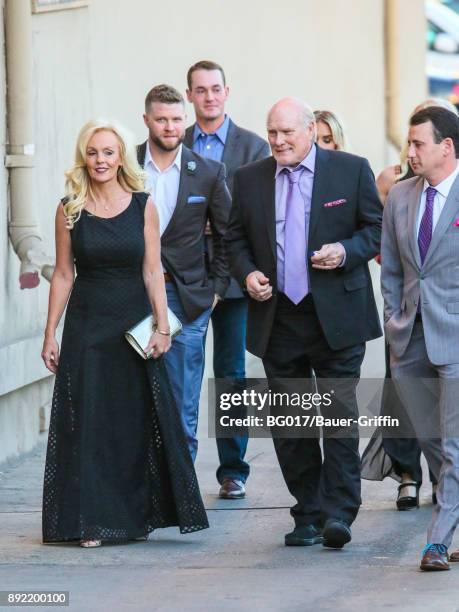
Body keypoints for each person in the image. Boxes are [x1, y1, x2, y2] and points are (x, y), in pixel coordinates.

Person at [41, 119, 208, 547]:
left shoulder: (142, 205)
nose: (100, 160)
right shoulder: (69, 208)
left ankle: (134, 516)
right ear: (84, 157)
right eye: (93, 153)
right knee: (91, 424)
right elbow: (62, 275)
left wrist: (162, 325)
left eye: (108, 152)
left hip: (132, 329)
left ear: (120, 157)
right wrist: (49, 334)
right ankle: (92, 521)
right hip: (87, 328)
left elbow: (153, 270)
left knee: (133, 423)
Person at [226, 97, 382, 549]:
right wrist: (247, 273)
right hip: (279, 314)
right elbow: (234, 240)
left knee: (337, 416)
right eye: (272, 133)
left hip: (335, 313)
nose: (277, 141)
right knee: (291, 423)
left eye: (286, 133)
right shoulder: (250, 178)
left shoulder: (350, 170)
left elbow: (374, 228)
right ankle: (307, 512)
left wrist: (346, 252)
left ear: (310, 129)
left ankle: (339, 514)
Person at [362, 98, 458, 511]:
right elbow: (393, 270)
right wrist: (393, 318)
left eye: (418, 144)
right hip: (408, 335)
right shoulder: (400, 196)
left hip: (453, 333)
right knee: (426, 431)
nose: (410, 153)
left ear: (446, 148)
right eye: (409, 144)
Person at [184, 60, 270, 499]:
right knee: (182, 371)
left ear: (227, 91)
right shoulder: (175, 144)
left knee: (232, 374)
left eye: (216, 89)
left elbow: (254, 211)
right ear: (190, 96)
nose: (210, 97)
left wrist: (214, 221)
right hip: (185, 278)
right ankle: (178, 471)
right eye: (201, 90)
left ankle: (233, 470)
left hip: (234, 281)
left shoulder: (253, 148)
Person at [137, 84, 231, 461]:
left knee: (182, 395)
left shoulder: (207, 172)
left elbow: (227, 234)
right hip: (132, 294)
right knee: (134, 392)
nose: (170, 126)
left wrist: (217, 289)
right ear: (147, 120)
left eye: (177, 119)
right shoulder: (124, 166)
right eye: (162, 119)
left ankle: (183, 490)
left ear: (186, 119)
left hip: (186, 298)